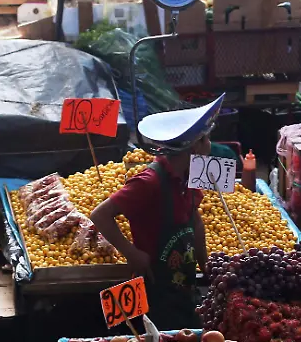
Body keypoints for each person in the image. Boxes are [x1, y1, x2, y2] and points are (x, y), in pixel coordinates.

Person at [90, 99, 220, 330]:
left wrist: (206, 265)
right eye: (206, 139)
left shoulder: (189, 176)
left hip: (183, 283)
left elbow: (196, 222)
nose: (210, 145)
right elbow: (100, 214)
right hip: (153, 287)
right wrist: (131, 253)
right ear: (194, 147)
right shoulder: (149, 182)